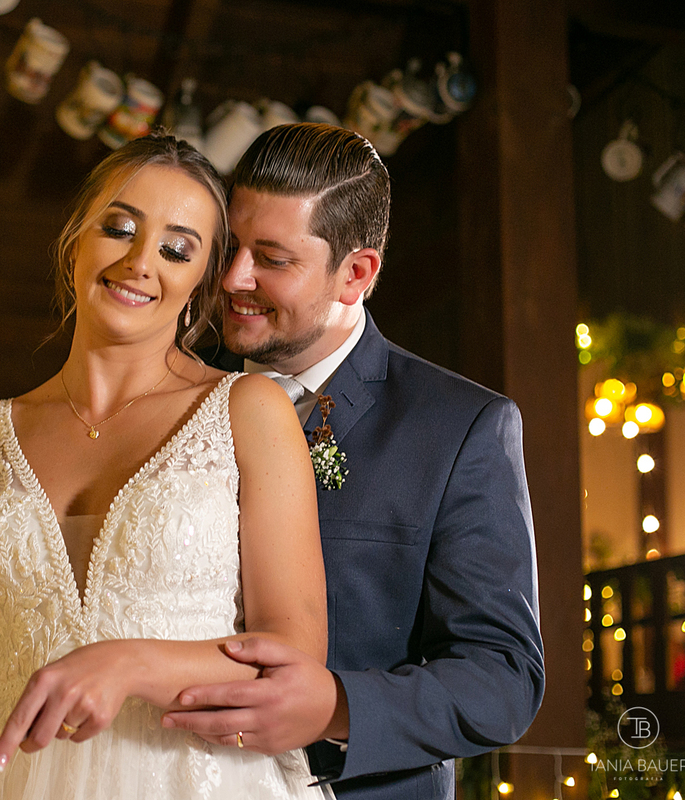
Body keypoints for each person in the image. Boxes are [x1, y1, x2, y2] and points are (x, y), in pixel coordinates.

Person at [0, 133, 331, 800]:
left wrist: (131, 665)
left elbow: (292, 657)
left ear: (201, 281)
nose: (141, 263)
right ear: (74, 243)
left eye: (177, 249)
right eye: (119, 229)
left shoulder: (248, 411)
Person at [162, 123, 546, 800]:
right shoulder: (167, 396)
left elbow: (503, 680)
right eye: (230, 245)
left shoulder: (459, 428)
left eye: (271, 258)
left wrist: (336, 705)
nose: (232, 278)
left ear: (356, 274)